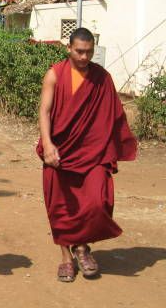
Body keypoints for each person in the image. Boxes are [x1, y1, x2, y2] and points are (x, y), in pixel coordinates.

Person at [38, 27, 137, 282]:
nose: (84, 57)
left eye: (89, 52)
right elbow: (45, 111)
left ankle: (82, 248)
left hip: (93, 153)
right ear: (68, 48)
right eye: (79, 51)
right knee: (61, 207)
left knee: (97, 202)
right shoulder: (55, 74)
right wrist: (48, 144)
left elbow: (112, 116)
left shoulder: (102, 78)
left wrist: (110, 149)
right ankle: (66, 258)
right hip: (60, 152)